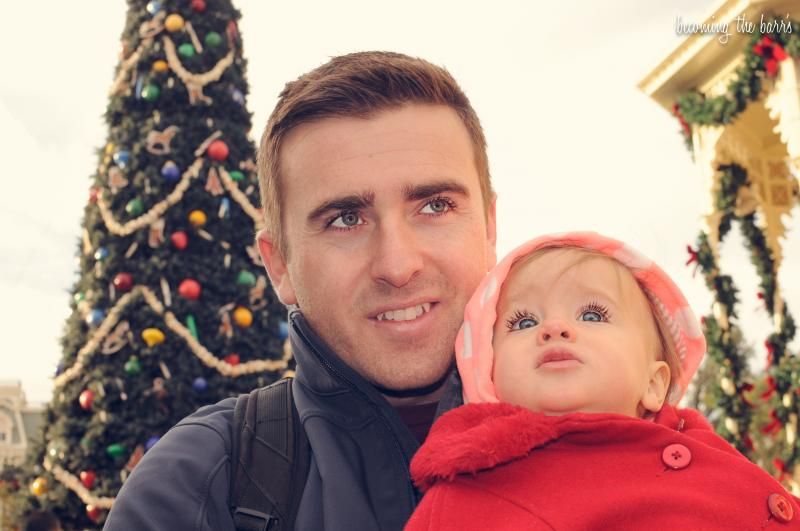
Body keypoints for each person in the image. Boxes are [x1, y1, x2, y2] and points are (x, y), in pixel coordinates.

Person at [103, 51, 497, 530]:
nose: (398, 265)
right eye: (346, 219)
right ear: (279, 264)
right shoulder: (195, 486)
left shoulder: (604, 437)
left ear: (490, 225)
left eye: (435, 206)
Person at [406, 232, 800, 530]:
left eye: (592, 315)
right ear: (488, 377)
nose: (554, 328)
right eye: (524, 322)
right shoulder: (470, 492)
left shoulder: (705, 450)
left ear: (654, 385)